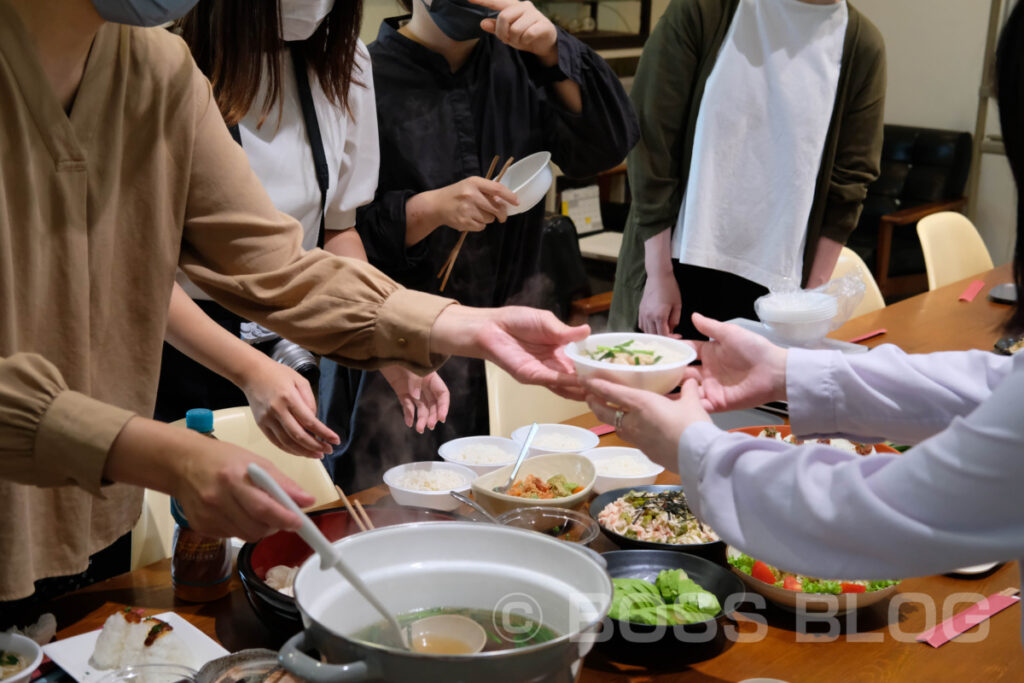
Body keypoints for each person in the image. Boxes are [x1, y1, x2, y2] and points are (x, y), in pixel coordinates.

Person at [0, 0, 588, 617]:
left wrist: (454, 322)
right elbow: (155, 280)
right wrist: (172, 454)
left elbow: (268, 259)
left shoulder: (156, 66)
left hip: (92, 480)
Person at [582, 0, 1024, 595]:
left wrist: (697, 448)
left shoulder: (858, 41)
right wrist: (794, 371)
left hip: (774, 278)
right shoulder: (704, 14)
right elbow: (991, 390)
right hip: (687, 264)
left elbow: (869, 514)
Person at [323, 0, 638, 490]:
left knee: (519, 496)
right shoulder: (360, 77)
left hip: (511, 331)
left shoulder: (522, 64)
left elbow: (604, 146)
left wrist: (554, 47)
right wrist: (428, 209)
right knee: (398, 503)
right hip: (401, 349)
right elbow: (332, 234)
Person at [155, 0, 449, 461]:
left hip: (295, 336)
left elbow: (338, 232)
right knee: (192, 522)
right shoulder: (166, 67)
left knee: (292, 512)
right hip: (183, 343)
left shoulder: (344, 62)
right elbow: (141, 275)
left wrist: (387, 342)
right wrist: (249, 371)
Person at [609, 0, 886, 340]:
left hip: (780, 291)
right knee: (652, 386)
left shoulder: (861, 45)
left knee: (760, 394)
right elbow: (652, 139)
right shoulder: (706, 10)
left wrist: (812, 301)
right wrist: (658, 274)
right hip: (674, 266)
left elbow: (850, 181)